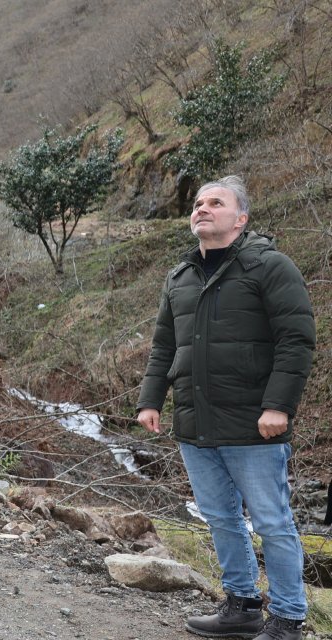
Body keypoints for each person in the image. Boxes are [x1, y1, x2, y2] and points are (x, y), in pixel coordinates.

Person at [137, 176, 315, 640]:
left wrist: (279, 405)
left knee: (273, 522)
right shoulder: (180, 276)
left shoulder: (270, 266)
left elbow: (296, 340)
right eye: (198, 202)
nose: (203, 208)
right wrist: (150, 399)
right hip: (195, 421)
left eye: (216, 202)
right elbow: (163, 347)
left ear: (241, 218)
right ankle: (242, 606)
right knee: (219, 518)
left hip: (255, 423)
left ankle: (289, 618)